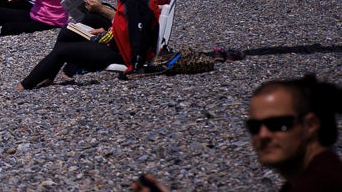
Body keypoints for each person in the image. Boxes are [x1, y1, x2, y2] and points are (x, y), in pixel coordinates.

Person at [135, 74, 342, 192]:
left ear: (311, 124)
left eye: (279, 124)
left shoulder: (322, 184)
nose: (263, 135)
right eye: (254, 127)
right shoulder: (307, 178)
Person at [18, 0, 158, 90]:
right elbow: (126, 26)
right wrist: (107, 30)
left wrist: (135, 64)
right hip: (118, 44)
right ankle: (48, 75)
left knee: (62, 50)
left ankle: (26, 85)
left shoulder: (134, 1)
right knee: (67, 34)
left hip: (121, 53)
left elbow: (138, 33)